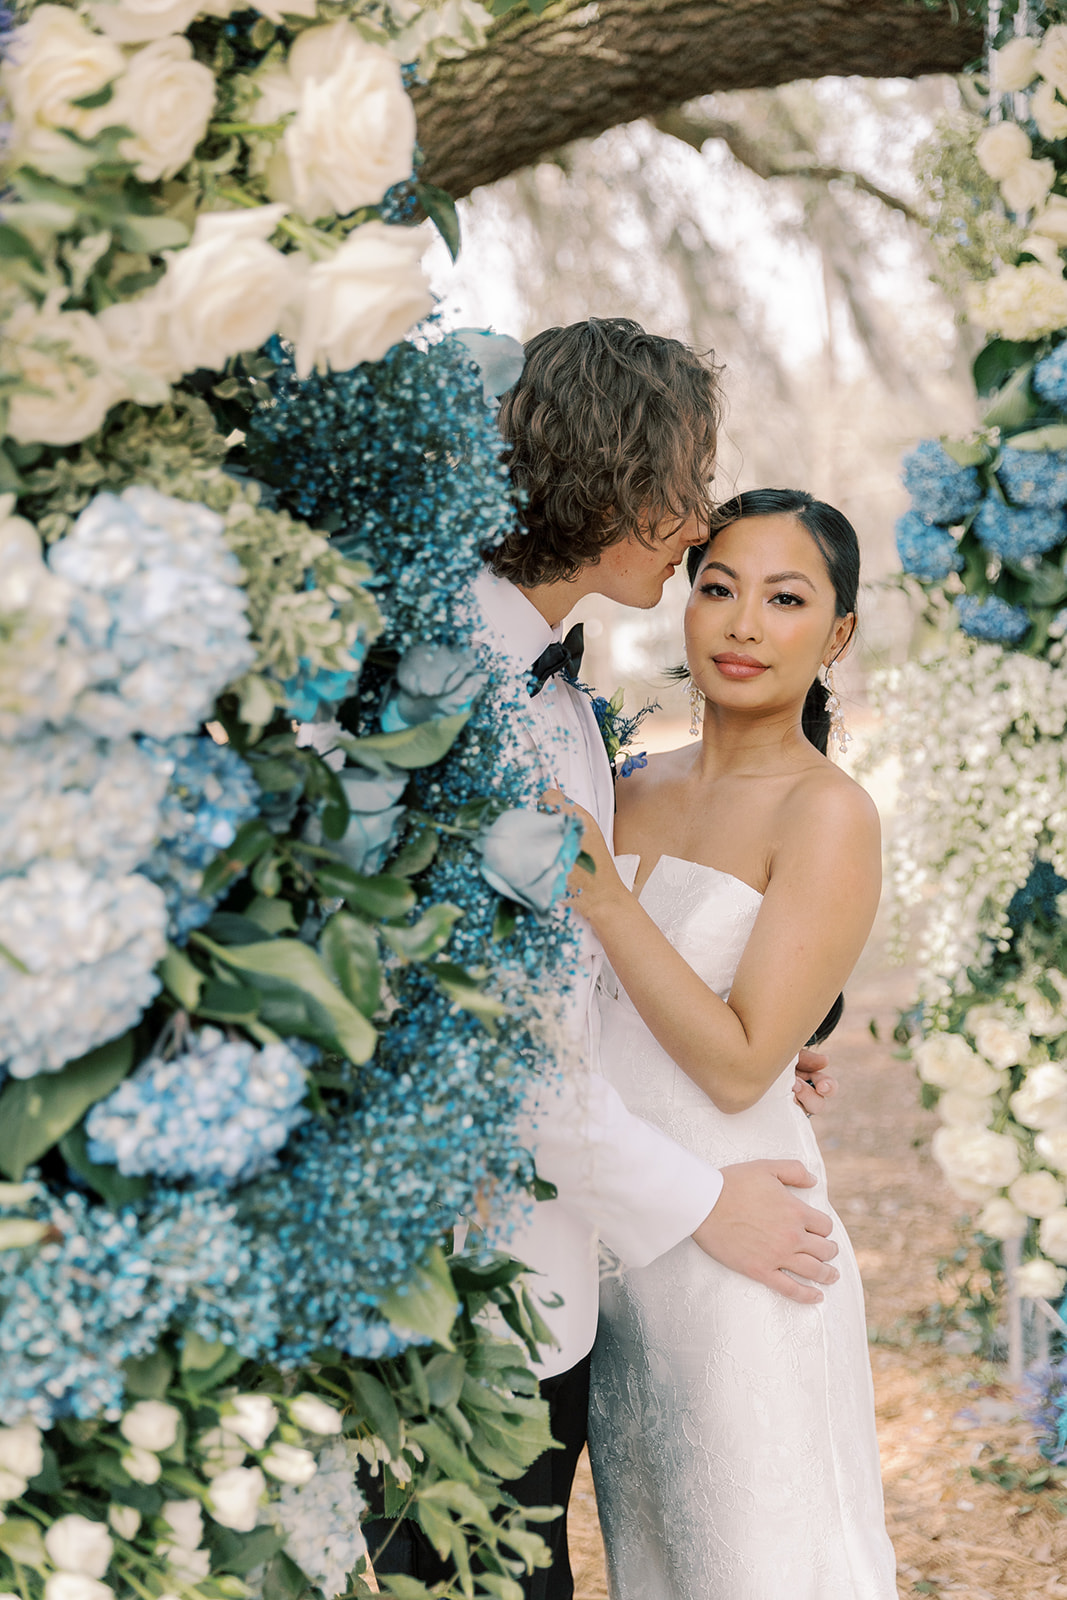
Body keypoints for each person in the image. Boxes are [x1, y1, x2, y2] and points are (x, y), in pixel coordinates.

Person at [369, 322, 841, 1599]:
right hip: (444, 1302)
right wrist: (704, 1199)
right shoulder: (438, 689)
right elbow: (476, 1045)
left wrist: (723, 1047)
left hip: (560, 1294)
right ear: (624, 488)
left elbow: (570, 977)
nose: (695, 527)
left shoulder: (564, 703)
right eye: (686, 488)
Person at [553, 487, 896, 1598]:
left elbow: (744, 1060)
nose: (742, 623)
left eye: (784, 598)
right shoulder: (627, 786)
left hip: (747, 1253)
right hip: (617, 1252)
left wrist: (607, 900)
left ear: (835, 633)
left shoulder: (827, 811)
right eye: (717, 588)